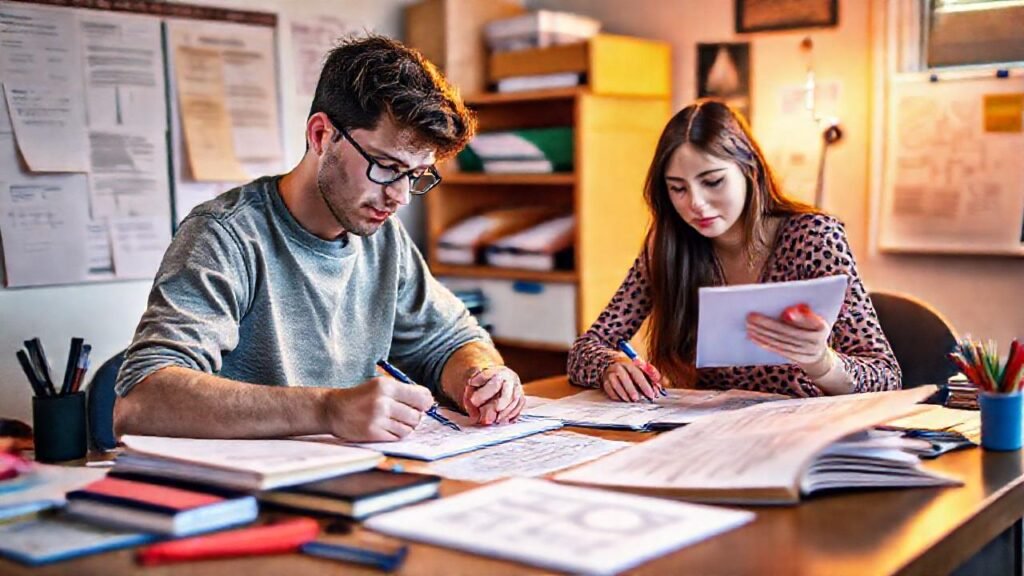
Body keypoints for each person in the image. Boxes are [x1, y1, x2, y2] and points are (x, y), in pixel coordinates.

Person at [114, 35, 525, 442]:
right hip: (243, 492)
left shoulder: (383, 238)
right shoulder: (225, 235)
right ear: (321, 136)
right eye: (385, 166)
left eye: (416, 176)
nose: (400, 196)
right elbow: (141, 400)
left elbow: (451, 339)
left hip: (349, 476)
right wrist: (327, 408)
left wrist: (480, 375)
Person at [568, 99, 900, 401]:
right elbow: (585, 349)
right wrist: (610, 365)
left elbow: (886, 377)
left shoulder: (813, 236)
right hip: (701, 437)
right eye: (678, 189)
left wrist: (822, 363)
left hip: (797, 434)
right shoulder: (670, 244)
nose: (695, 204)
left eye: (712, 182)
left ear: (749, 171)